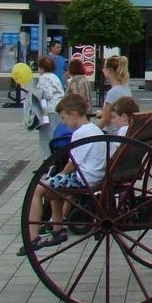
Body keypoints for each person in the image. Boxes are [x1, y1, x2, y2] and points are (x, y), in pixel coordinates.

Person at [18, 93, 105, 255]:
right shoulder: (95, 129)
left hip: (84, 179)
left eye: (64, 118)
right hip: (95, 176)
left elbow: (72, 164)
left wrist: (59, 176)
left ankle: (33, 238)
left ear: (73, 115)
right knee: (54, 191)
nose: (63, 122)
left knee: (38, 188)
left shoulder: (80, 133)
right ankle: (58, 230)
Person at [31, 56, 64, 160]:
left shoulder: (44, 78)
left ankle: (48, 161)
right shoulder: (55, 77)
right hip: (58, 109)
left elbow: (46, 95)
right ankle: (56, 159)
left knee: (46, 137)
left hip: (48, 110)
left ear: (42, 68)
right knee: (55, 134)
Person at [96, 55, 132, 132]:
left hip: (113, 137)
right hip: (125, 134)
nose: (103, 70)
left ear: (110, 71)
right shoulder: (126, 88)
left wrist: (90, 133)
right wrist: (104, 113)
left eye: (104, 68)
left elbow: (105, 120)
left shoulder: (113, 92)